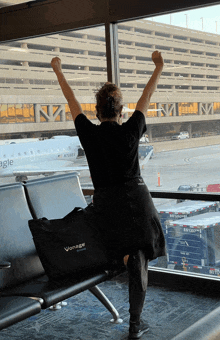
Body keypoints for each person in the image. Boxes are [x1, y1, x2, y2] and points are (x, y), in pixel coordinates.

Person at [51, 51, 166, 339]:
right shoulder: (130, 131)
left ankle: (125, 259)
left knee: (108, 243)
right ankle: (134, 324)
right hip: (137, 200)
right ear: (121, 110)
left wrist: (58, 70)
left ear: (96, 110)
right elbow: (146, 96)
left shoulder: (89, 134)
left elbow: (71, 100)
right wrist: (158, 67)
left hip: (106, 204)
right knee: (138, 249)